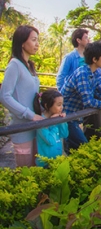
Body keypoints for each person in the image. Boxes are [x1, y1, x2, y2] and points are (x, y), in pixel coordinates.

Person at [0, 25, 43, 167]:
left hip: (35, 126)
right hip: (23, 128)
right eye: (33, 40)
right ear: (22, 42)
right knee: (25, 174)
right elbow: (5, 96)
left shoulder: (29, 66)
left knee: (36, 169)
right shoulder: (14, 65)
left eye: (37, 40)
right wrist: (29, 114)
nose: (37, 44)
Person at [34, 89, 68, 167]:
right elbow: (51, 141)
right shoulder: (41, 121)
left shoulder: (57, 116)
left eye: (62, 104)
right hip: (45, 163)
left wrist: (62, 121)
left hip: (56, 160)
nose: (61, 108)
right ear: (47, 105)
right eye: (59, 105)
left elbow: (65, 134)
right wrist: (53, 122)